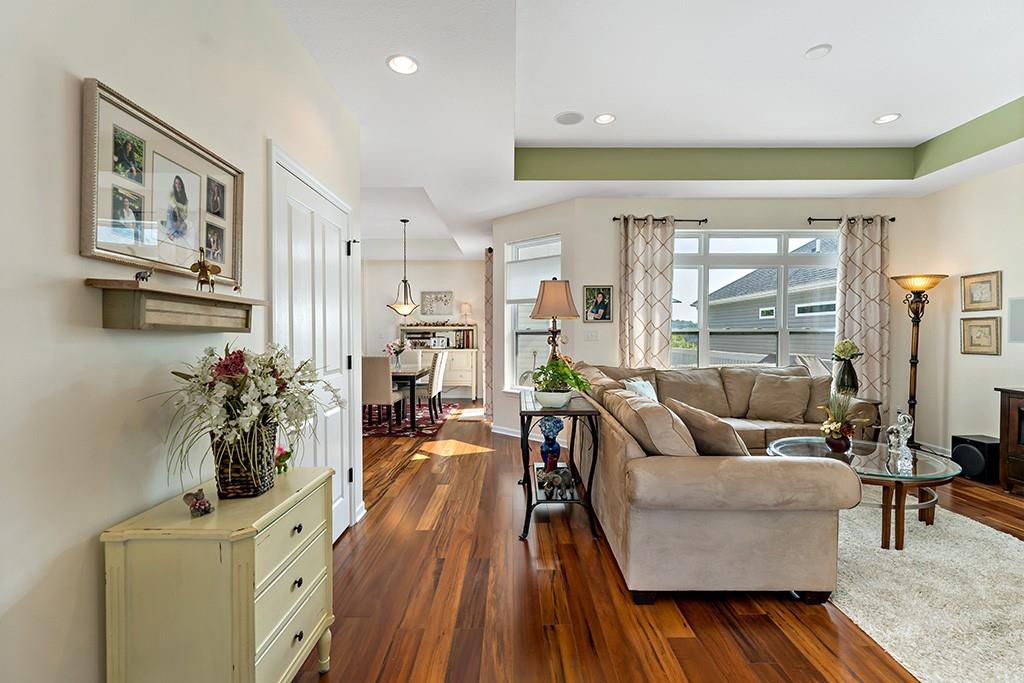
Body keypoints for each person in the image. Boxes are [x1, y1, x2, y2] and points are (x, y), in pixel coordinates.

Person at [165, 175, 189, 240]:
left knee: (185, 228)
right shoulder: (172, 194)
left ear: (182, 185)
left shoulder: (185, 200)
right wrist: (178, 215)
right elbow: (172, 204)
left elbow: (185, 214)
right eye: (176, 183)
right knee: (170, 209)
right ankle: (170, 229)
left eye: (179, 183)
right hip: (172, 215)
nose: (177, 185)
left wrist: (180, 220)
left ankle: (169, 228)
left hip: (180, 219)